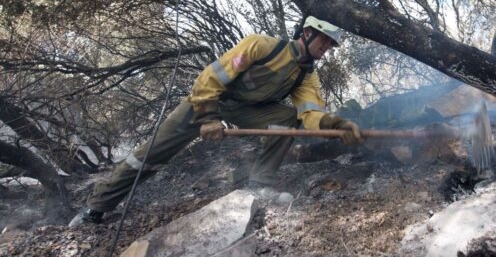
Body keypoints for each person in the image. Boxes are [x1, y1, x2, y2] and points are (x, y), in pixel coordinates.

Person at [69, 16, 363, 226]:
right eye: (324, 40)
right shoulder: (261, 45)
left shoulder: (306, 74)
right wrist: (208, 117)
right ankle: (97, 207)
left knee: (287, 119)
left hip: (245, 110)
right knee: (152, 153)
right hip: (207, 100)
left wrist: (335, 126)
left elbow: (310, 114)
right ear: (308, 33)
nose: (327, 47)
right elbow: (210, 78)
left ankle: (259, 185)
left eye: (330, 44)